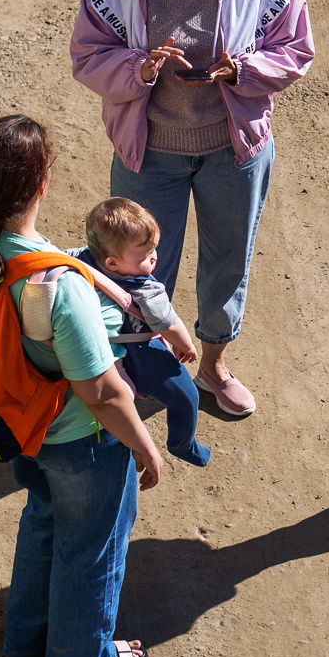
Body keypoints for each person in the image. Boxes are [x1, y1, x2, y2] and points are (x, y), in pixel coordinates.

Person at [70, 0, 315, 420]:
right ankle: (138, 369)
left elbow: (295, 48)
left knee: (229, 259)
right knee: (136, 269)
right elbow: (87, 56)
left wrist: (242, 71)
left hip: (233, 150)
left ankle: (213, 367)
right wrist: (141, 66)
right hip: (150, 151)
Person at [0, 114, 164, 657]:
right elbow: (104, 393)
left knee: (43, 519)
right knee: (91, 551)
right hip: (77, 441)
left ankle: (24, 639)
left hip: (15, 426)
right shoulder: (60, 286)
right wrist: (145, 445)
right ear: (43, 185)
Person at [73, 197, 213, 468]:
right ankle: (183, 444)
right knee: (187, 398)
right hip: (141, 354)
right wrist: (186, 346)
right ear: (113, 263)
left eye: (154, 249)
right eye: (145, 255)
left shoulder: (78, 259)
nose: (155, 257)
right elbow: (169, 324)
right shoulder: (146, 290)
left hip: (100, 352)